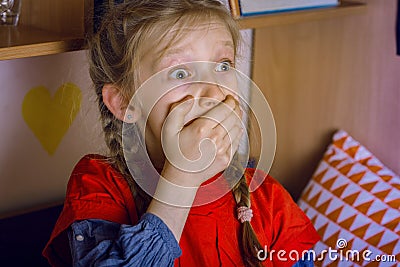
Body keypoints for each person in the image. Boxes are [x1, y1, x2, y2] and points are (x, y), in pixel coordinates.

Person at [43, 0, 320, 266]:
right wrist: (182, 177)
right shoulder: (99, 184)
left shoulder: (267, 197)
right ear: (125, 101)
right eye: (180, 73)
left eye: (223, 65)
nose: (213, 92)